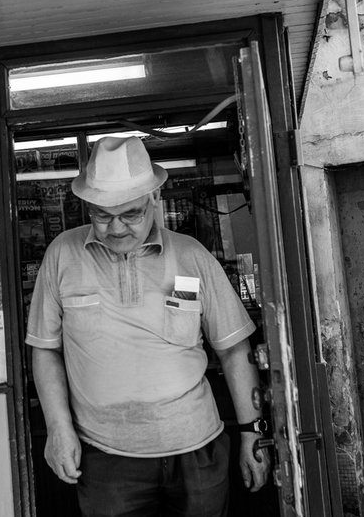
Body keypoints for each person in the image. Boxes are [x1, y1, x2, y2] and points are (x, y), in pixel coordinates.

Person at [26, 136, 270, 516]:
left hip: (197, 450)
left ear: (155, 199)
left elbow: (234, 350)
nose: (116, 228)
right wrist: (58, 429)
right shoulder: (62, 254)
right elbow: (44, 350)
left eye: (131, 214)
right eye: (102, 215)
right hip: (107, 459)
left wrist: (253, 434)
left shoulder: (192, 256)